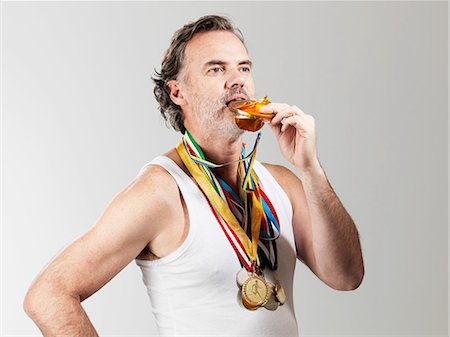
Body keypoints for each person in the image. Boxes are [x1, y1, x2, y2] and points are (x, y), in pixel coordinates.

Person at [24, 14, 364, 337]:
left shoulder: (284, 183)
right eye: (216, 69)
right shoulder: (160, 192)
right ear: (178, 93)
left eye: (243, 67)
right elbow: (48, 294)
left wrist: (310, 169)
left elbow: (346, 276)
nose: (238, 80)